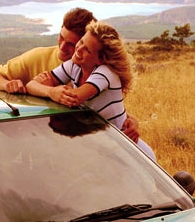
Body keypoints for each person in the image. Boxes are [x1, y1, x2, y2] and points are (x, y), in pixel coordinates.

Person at [0, 8, 142, 145]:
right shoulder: (42, 58)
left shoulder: (99, 71)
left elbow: (101, 106)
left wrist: (130, 120)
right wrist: (10, 86)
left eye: (71, 44)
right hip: (44, 139)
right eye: (61, 37)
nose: (62, 47)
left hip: (82, 142)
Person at [26, 21, 156, 160]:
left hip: (129, 151)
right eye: (81, 41)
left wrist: (49, 88)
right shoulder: (74, 65)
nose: (79, 49)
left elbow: (75, 98)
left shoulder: (106, 72)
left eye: (87, 49)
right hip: (104, 147)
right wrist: (50, 92)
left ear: (100, 59)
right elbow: (31, 85)